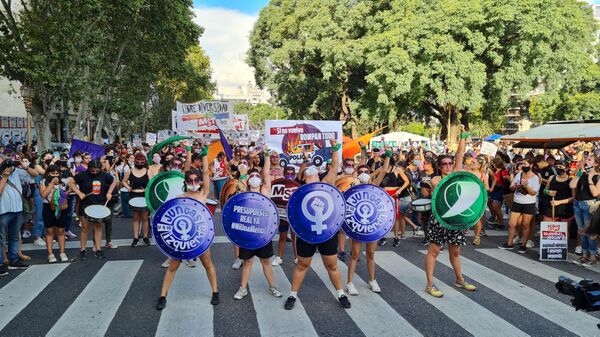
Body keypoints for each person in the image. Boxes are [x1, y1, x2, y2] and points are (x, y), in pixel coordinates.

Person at [284, 139, 352, 310]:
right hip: (306, 234)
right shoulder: (299, 190)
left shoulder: (326, 184)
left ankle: (341, 294)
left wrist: (336, 149)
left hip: (327, 232)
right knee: (302, 265)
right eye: (308, 173)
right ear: (305, 178)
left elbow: (335, 166)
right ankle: (292, 295)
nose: (312, 175)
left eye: (314, 173)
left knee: (332, 265)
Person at [157, 149, 220, 310]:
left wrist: (205, 156)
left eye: (196, 180)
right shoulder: (179, 198)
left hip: (200, 237)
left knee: (208, 264)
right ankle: (162, 296)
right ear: (186, 182)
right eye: (190, 180)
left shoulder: (203, 194)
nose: (194, 183)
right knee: (173, 267)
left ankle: (215, 292)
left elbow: (206, 172)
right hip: (182, 240)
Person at [424, 125, 476, 298]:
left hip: (455, 220)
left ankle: (459, 279)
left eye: (450, 163)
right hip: (439, 218)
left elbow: (460, 155)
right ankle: (430, 284)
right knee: (435, 251)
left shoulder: (456, 175)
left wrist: (462, 136)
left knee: (455, 252)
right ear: (439, 166)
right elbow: (442, 189)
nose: (447, 166)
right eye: (444, 164)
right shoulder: (436, 180)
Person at [233, 149, 283, 300]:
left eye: (257, 176)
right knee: (247, 262)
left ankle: (272, 287)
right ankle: (243, 289)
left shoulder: (265, 191)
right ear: (248, 181)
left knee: (265, 261)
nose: (254, 178)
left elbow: (266, 172)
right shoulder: (243, 193)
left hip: (262, 233)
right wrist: (242, 173)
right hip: (248, 233)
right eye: (252, 176)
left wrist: (267, 156)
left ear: (260, 180)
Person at [345, 146, 390, 296]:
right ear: (357, 174)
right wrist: (363, 151)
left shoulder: (374, 186)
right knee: (355, 254)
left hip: (373, 225)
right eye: (361, 172)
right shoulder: (353, 187)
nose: (363, 174)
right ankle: (349, 283)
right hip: (357, 225)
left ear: (370, 174)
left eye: (366, 172)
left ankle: (372, 280)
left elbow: (383, 171)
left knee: (371, 253)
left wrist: (388, 156)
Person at [70, 160, 115, 259]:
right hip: (85, 204)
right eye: (92, 171)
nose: (94, 172)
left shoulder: (104, 175)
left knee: (98, 227)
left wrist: (109, 193)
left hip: (99, 203)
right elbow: (71, 183)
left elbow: (114, 181)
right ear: (89, 168)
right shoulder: (82, 175)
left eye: (97, 171)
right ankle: (83, 249)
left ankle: (98, 249)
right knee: (85, 228)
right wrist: (79, 192)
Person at [0, 155, 36, 274]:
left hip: (17, 209)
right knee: (1, 239)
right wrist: (4, 177)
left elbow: (34, 175)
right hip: (3, 211)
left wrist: (24, 165)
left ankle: (14, 260)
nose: (7, 166)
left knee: (14, 236)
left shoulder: (15, 172)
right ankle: (1, 264)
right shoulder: (4, 174)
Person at [499, 160, 540, 254]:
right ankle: (509, 243)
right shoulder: (519, 175)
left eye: (525, 164)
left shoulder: (535, 178)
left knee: (525, 224)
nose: (523, 166)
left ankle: (523, 245)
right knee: (511, 223)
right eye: (522, 164)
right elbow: (512, 186)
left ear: (531, 165)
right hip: (517, 201)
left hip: (529, 203)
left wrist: (526, 186)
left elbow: (534, 193)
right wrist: (514, 186)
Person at [570, 156, 600, 267]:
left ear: (596, 164)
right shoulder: (581, 174)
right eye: (585, 160)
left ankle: (592, 258)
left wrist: (589, 179)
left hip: (589, 205)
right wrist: (580, 171)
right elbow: (572, 185)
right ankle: (584, 255)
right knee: (581, 231)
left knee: (590, 232)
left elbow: (596, 193)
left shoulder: (598, 176)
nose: (585, 161)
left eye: (589, 160)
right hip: (577, 204)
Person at [39, 165, 69, 263]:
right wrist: (51, 184)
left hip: (61, 207)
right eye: (53, 173)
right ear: (48, 173)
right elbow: (43, 195)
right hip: (48, 207)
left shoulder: (63, 182)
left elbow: (72, 185)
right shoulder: (43, 181)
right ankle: (50, 254)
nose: (55, 175)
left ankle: (62, 252)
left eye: (57, 173)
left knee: (61, 230)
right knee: (49, 231)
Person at [122, 153, 151, 247]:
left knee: (145, 218)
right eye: (138, 162)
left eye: (141, 162)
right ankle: (135, 237)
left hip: (144, 195)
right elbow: (123, 181)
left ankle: (145, 237)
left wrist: (148, 189)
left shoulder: (148, 171)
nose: (139, 164)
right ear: (135, 162)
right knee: (135, 218)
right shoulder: (130, 171)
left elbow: (152, 182)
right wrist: (128, 187)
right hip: (133, 195)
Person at [464, 156, 491, 246]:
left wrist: (478, 186)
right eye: (471, 162)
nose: (471, 163)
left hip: (479, 199)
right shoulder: (466, 172)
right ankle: (462, 233)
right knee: (465, 216)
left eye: (473, 162)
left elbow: (487, 187)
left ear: (479, 166)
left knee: (478, 219)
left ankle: (477, 237)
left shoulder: (483, 175)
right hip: (466, 198)